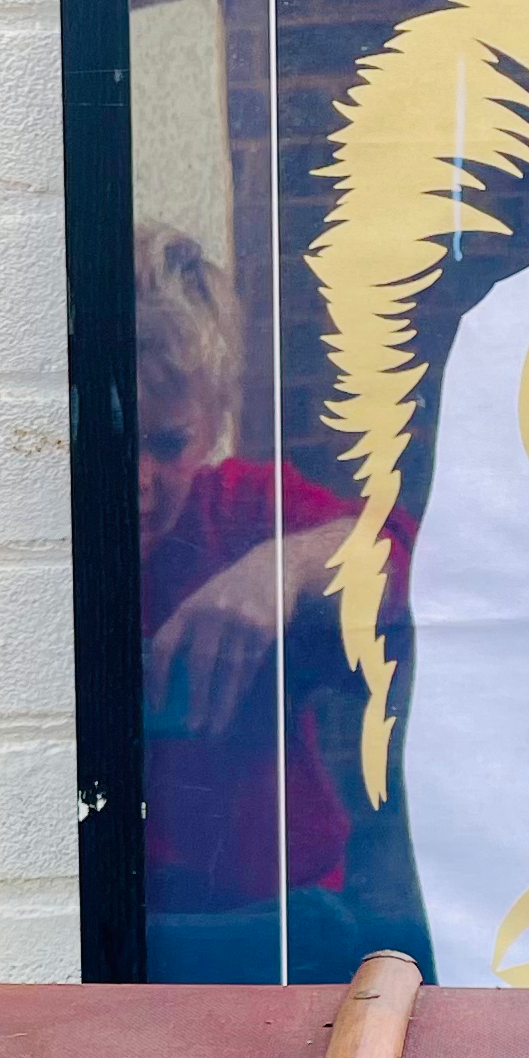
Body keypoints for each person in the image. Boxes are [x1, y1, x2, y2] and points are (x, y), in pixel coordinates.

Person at [133, 224, 433, 984]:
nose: (136, 478)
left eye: (166, 445)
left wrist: (283, 565)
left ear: (213, 421)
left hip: (282, 926)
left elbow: (406, 554)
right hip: (130, 938)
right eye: (114, 439)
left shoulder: (239, 511)